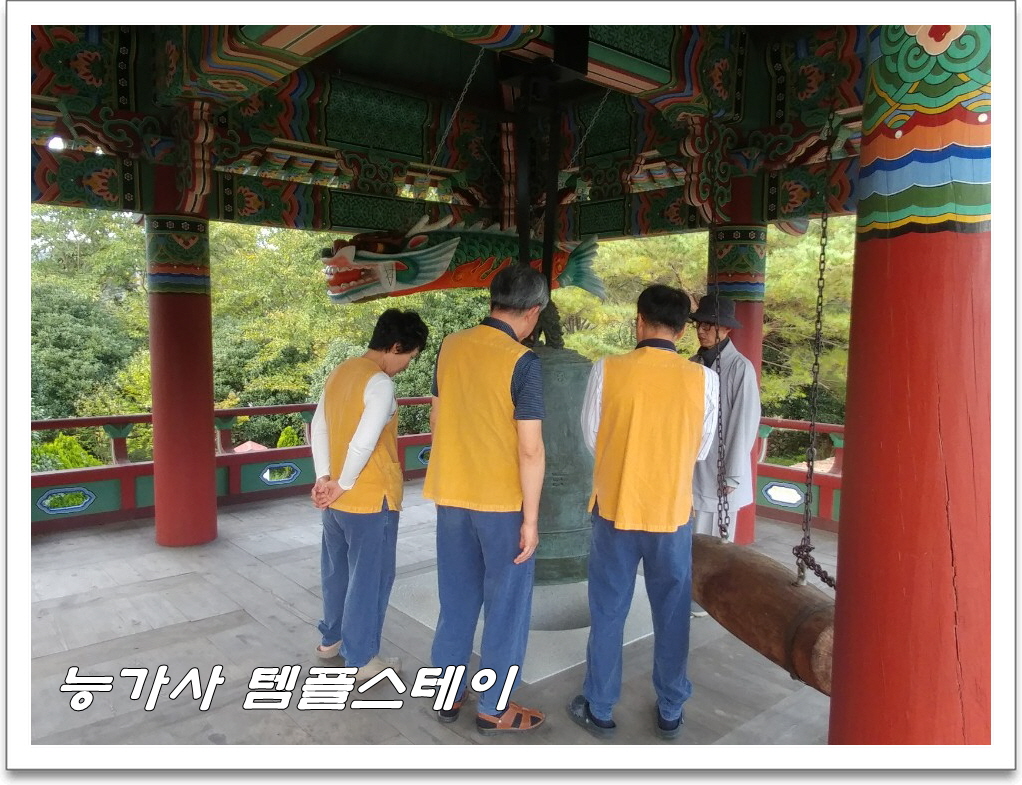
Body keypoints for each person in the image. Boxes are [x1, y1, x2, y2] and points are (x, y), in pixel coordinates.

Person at [568, 284, 718, 741]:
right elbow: (701, 448)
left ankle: (599, 705)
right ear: (681, 330)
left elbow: (592, 436)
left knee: (608, 610)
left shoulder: (607, 369)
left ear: (639, 320)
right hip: (671, 513)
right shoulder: (703, 379)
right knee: (672, 612)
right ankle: (670, 708)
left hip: (615, 509)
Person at [424, 264, 548, 736]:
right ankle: (494, 706)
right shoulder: (522, 361)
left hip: (451, 495)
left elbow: (437, 420)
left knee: (456, 599)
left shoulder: (450, 346)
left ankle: (447, 691)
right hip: (500, 503)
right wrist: (531, 521)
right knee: (506, 606)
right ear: (533, 311)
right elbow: (530, 448)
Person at [309, 308, 429, 682]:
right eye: (410, 356)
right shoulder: (379, 382)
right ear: (396, 346)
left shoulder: (341, 371)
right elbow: (365, 439)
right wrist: (343, 483)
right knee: (370, 579)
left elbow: (318, 426)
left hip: (335, 501)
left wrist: (324, 479)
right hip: (371, 497)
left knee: (337, 572)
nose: (407, 365)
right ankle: (361, 658)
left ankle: (331, 640)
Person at [688, 295, 762, 616]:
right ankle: (691, 590)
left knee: (715, 536)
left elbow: (745, 421)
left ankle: (708, 597)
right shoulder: (693, 363)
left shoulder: (739, 368)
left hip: (721, 467)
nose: (702, 330)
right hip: (693, 463)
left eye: (710, 325)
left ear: (726, 329)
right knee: (692, 534)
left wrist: (732, 473)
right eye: (699, 324)